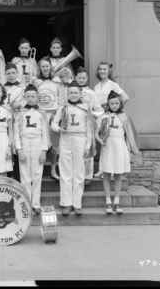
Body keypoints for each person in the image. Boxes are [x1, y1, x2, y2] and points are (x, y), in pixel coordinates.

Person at [50, 81, 95, 216]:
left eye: (76, 92)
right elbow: (53, 123)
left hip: (80, 139)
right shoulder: (63, 107)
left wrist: (88, 146)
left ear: (80, 93)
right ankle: (66, 203)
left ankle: (77, 204)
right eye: (71, 93)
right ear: (67, 94)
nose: (73, 95)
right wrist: (59, 129)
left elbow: (89, 129)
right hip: (66, 138)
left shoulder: (86, 108)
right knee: (65, 171)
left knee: (79, 172)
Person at [95, 91, 139, 214]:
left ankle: (117, 201)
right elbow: (96, 133)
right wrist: (100, 140)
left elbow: (130, 134)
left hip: (120, 146)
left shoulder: (125, 117)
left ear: (120, 104)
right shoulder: (104, 117)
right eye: (112, 103)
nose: (114, 105)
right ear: (108, 104)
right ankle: (108, 201)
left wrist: (131, 149)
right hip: (108, 146)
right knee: (107, 174)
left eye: (116, 103)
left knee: (118, 175)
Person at [14, 83, 51, 214]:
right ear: (24, 97)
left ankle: (36, 204)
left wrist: (44, 150)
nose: (30, 99)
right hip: (24, 143)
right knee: (25, 176)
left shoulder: (42, 112)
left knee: (37, 174)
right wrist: (19, 149)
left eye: (33, 96)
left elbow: (45, 133)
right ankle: (26, 203)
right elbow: (16, 132)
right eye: (28, 96)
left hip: (37, 142)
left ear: (37, 97)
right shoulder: (20, 112)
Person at [93, 61, 129, 178]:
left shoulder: (112, 84)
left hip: (109, 116)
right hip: (99, 116)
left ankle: (111, 170)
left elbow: (125, 98)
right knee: (101, 143)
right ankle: (102, 169)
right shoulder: (96, 86)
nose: (102, 71)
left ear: (109, 71)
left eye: (105, 69)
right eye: (100, 69)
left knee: (110, 143)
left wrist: (112, 107)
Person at [35, 56, 65, 181]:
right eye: (43, 66)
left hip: (53, 113)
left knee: (54, 143)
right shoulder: (36, 81)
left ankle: (53, 170)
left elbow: (62, 98)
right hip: (41, 113)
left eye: (47, 66)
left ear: (50, 67)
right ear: (40, 68)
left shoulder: (57, 81)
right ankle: (38, 171)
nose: (45, 68)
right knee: (40, 142)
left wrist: (59, 113)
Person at [75, 66, 105, 184]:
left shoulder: (90, 92)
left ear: (87, 79)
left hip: (88, 123)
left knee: (88, 149)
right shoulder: (71, 90)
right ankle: (76, 175)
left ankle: (87, 175)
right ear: (76, 78)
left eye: (83, 78)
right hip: (75, 125)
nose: (81, 80)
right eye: (79, 78)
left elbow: (99, 108)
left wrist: (92, 113)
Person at [3, 62, 26, 182]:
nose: (11, 76)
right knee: (6, 146)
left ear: (17, 73)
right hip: (5, 121)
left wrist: (20, 105)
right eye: (8, 73)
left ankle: (17, 178)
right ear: (5, 74)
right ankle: (6, 176)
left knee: (17, 146)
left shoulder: (23, 88)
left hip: (18, 119)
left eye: (13, 73)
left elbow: (28, 102)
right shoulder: (1, 88)